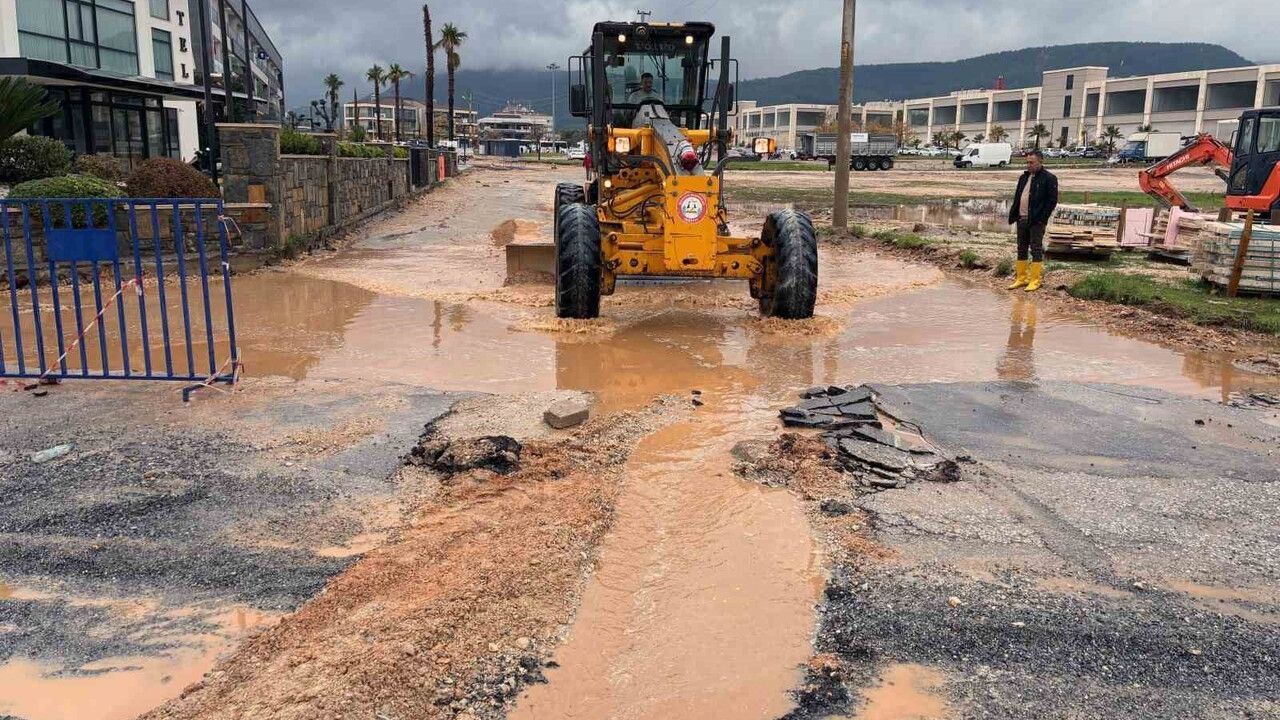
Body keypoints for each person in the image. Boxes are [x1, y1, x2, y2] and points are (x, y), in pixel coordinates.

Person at [1006, 149, 1058, 292]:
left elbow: (1051, 201)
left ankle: (1035, 280)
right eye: (1027, 162)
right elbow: (1018, 197)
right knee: (1021, 248)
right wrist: (1014, 214)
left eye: (1032, 162)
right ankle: (1021, 278)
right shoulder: (1024, 177)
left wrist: (1042, 218)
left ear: (1040, 162)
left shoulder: (1049, 178)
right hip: (1021, 218)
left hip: (1036, 221)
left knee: (1035, 249)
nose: (1029, 165)